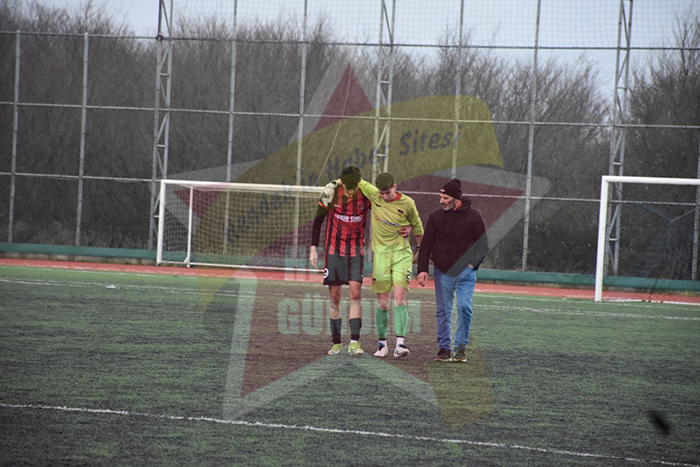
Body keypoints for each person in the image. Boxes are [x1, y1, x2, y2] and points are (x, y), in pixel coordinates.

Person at [416, 178, 489, 363]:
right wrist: (422, 269)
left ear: (457, 199)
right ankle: (444, 348)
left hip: (466, 272)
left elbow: (483, 246)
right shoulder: (435, 217)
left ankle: (460, 347)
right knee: (443, 310)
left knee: (465, 307)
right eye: (441, 197)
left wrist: (471, 266)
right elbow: (426, 245)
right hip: (443, 272)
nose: (441, 201)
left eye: (446, 198)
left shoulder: (474, 216)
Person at [357, 173, 423, 359]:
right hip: (380, 256)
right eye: (381, 193)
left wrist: (421, 251)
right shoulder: (374, 195)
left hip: (402, 255)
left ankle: (400, 345)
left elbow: (418, 226)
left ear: (395, 186)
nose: (384, 196)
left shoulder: (408, 203)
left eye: (387, 192)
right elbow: (355, 179)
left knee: (400, 300)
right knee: (383, 303)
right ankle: (382, 345)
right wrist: (335, 183)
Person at [310, 166, 370, 356]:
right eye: (348, 188)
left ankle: (355, 343)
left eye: (354, 188)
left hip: (356, 252)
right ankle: (336, 343)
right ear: (342, 182)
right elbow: (318, 221)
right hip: (333, 252)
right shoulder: (331, 193)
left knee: (355, 295)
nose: (351, 192)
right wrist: (313, 249)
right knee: (335, 296)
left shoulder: (366, 194)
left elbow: (384, 208)